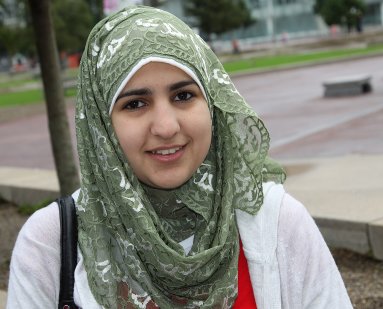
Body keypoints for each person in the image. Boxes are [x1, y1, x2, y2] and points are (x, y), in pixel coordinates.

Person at [7, 5, 353, 309]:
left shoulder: (276, 222)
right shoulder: (50, 244)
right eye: (135, 103)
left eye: (184, 95)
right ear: (101, 125)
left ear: (212, 103)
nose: (166, 126)